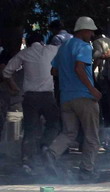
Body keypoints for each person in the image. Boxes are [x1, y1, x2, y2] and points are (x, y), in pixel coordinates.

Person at [43, 16, 102, 181]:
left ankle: (51, 153)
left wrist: (67, 75)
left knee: (69, 133)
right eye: (90, 31)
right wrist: (93, 89)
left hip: (66, 97)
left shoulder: (63, 48)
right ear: (83, 30)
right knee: (91, 136)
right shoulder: (84, 46)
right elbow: (79, 68)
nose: (91, 35)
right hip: (84, 96)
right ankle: (86, 171)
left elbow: (53, 72)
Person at [2, 32, 60, 175]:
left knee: (30, 130)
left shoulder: (24, 53)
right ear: (42, 41)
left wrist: (14, 87)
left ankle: (27, 162)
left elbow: (6, 72)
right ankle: (45, 146)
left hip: (30, 98)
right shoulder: (52, 49)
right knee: (54, 124)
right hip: (48, 96)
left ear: (27, 42)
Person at [92, 29, 110, 128]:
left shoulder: (96, 42)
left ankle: (106, 123)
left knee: (104, 101)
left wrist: (92, 69)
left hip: (103, 75)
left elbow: (97, 56)